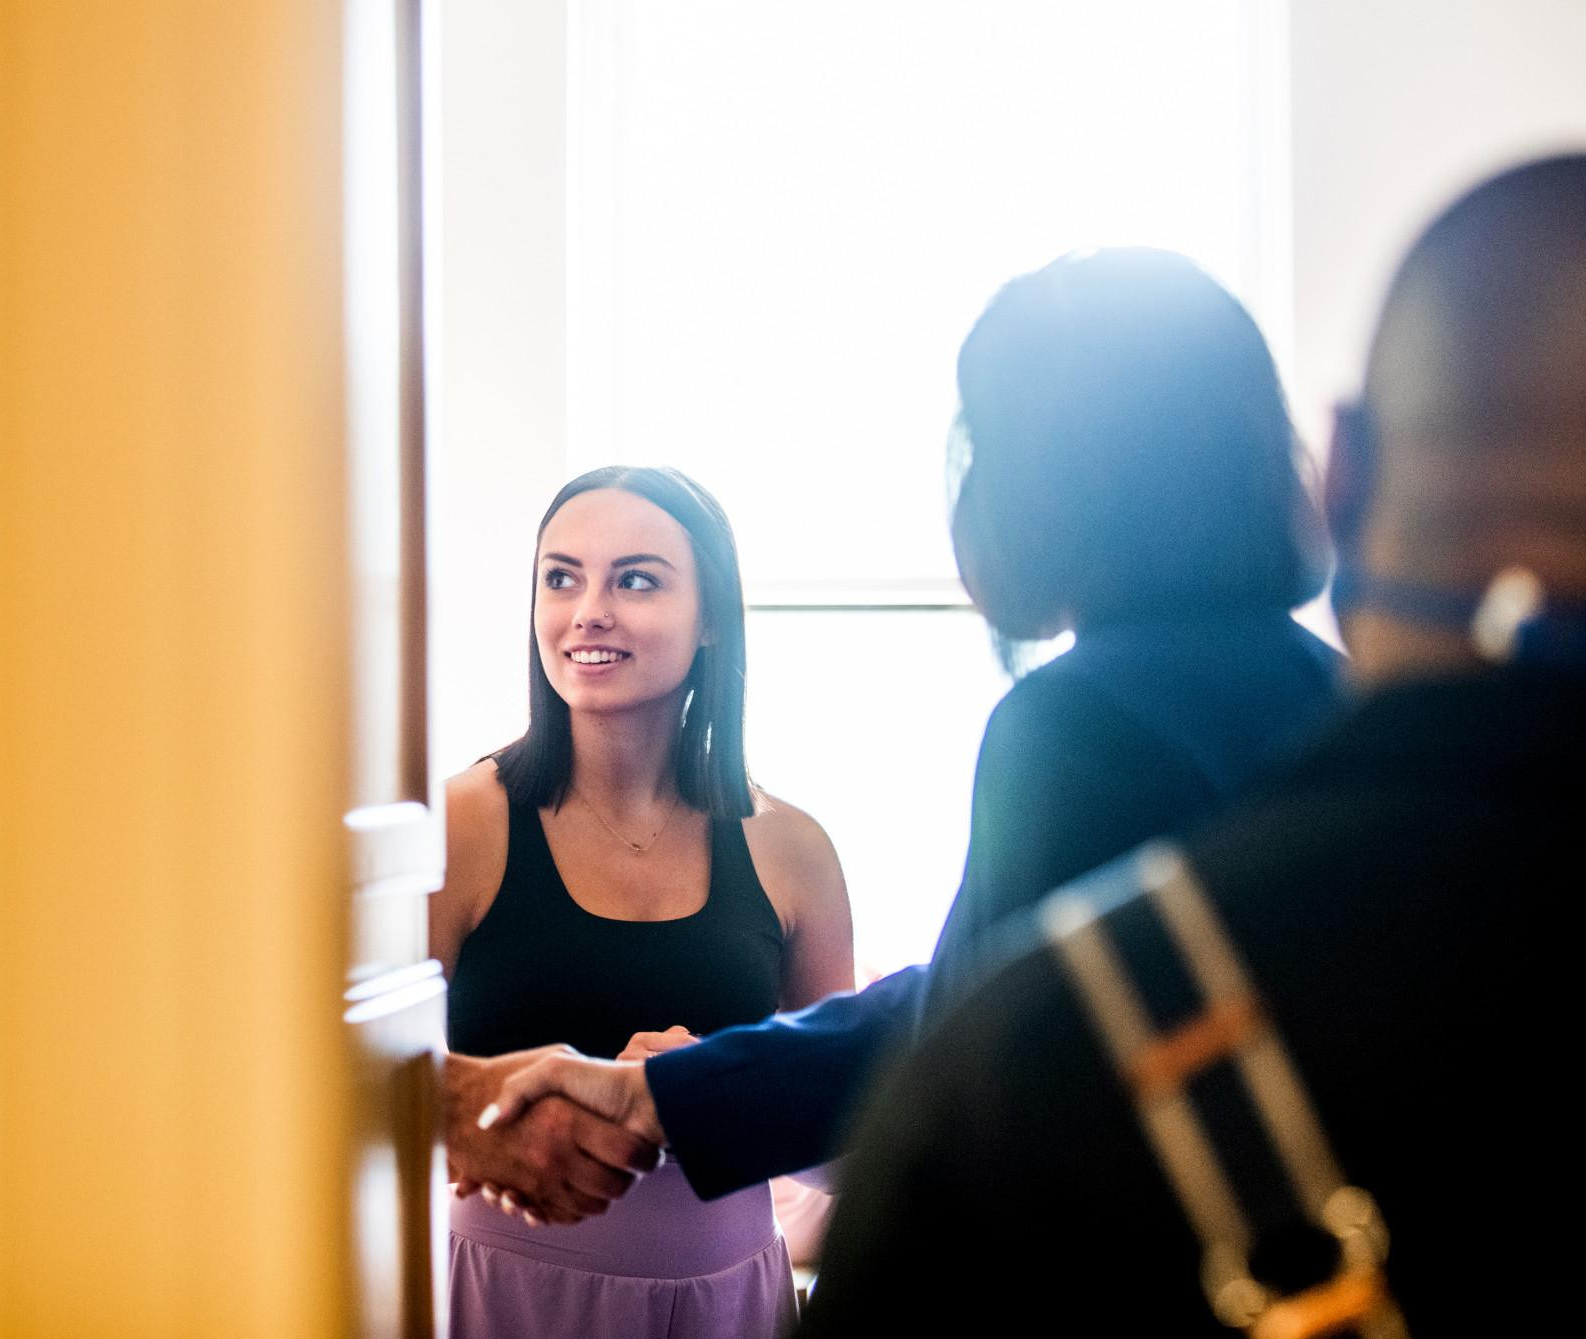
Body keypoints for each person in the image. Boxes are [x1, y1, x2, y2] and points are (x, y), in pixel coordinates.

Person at [795, 153, 1586, 1333]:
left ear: (1348, 474)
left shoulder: (1062, 732)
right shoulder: (1312, 686)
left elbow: (997, 1014)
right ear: (1296, 474)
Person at [459, 247, 1343, 1205]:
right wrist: (659, 1092)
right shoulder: (1332, 690)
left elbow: (975, 1035)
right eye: (562, 575)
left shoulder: (1079, 725)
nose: (592, 610)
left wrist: (666, 1097)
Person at [436, 466, 854, 1338]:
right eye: (562, 577)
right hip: (511, 1296)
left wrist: (719, 1086)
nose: (589, 609)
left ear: (710, 620)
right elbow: (342, 1075)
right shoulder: (461, 825)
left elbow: (847, 1140)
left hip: (727, 1303)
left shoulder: (793, 848)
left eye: (635, 579)